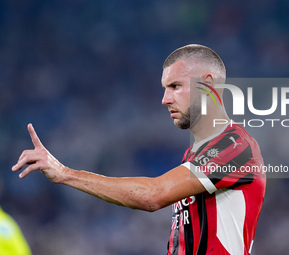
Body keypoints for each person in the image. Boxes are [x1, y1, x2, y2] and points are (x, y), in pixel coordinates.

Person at [12, 44, 266, 254]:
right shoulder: (195, 155)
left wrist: (65, 173)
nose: (165, 99)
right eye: (164, 89)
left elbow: (152, 196)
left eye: (175, 86)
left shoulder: (235, 147)